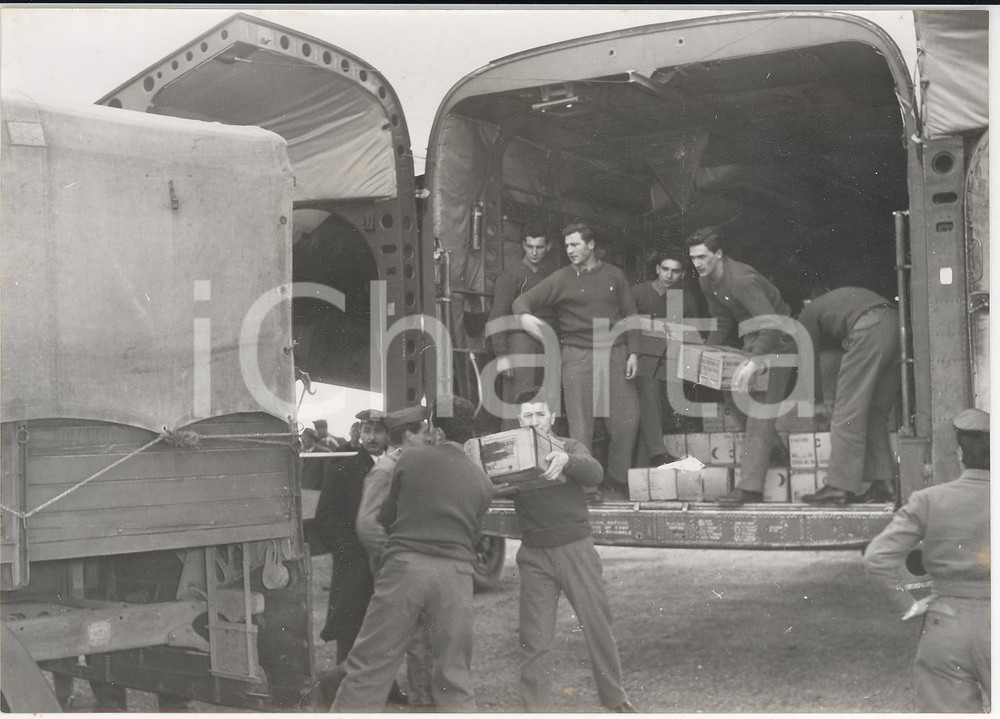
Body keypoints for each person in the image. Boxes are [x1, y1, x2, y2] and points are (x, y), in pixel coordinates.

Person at [332, 397, 494, 712]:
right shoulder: (483, 481)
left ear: (435, 429)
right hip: (456, 576)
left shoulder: (410, 460)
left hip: (405, 568)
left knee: (371, 664)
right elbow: (474, 535)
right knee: (454, 674)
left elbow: (388, 514)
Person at [511, 388, 636, 712]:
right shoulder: (514, 453)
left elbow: (594, 471)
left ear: (552, 417)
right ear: (518, 419)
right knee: (533, 639)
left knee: (597, 627)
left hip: (575, 550)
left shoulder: (569, 447)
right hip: (535, 554)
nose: (535, 421)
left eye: (540, 414)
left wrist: (568, 460)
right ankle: (533, 710)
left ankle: (615, 697)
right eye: (528, 415)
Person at [863, 408, 990, 712]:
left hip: (945, 623)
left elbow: (877, 558)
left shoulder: (928, 500)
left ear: (960, 454)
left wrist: (907, 605)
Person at [513, 221, 640, 502]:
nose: (570, 250)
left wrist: (634, 352)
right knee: (581, 425)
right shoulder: (561, 279)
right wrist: (524, 316)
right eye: (567, 245)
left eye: (575, 244)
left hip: (615, 351)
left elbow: (630, 314)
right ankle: (587, 487)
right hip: (577, 354)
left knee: (626, 422)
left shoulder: (614, 275)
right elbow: (524, 300)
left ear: (591, 245)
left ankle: (617, 479)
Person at [686, 228, 795, 506]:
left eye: (702, 257)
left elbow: (771, 323)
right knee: (734, 396)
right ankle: (774, 450)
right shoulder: (707, 280)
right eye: (693, 258)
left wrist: (754, 362)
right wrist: (706, 356)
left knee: (758, 409)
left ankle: (750, 489)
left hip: (778, 340)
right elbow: (722, 320)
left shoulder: (741, 279)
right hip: (753, 338)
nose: (697, 263)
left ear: (719, 254)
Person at [355, 405, 435, 707]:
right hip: (398, 568)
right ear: (408, 435)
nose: (428, 438)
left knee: (420, 636)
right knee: (411, 637)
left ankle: (425, 697)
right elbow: (366, 524)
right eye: (423, 433)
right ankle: (422, 702)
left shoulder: (408, 463)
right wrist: (393, 557)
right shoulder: (386, 469)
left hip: (414, 566)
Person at [796, 287, 901, 505]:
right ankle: (884, 484)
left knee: (846, 412)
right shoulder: (845, 300)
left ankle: (839, 487)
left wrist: (816, 403)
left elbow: (807, 360)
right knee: (874, 413)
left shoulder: (808, 313)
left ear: (807, 301)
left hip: (869, 328)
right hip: (895, 325)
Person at [313, 410, 387, 663]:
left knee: (385, 627)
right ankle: (343, 685)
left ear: (388, 434)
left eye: (378, 431)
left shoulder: (398, 470)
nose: (372, 437)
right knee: (350, 630)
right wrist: (350, 552)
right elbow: (326, 517)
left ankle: (387, 686)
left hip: (386, 563)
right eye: (367, 431)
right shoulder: (343, 470)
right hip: (354, 566)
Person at [631, 248, 702, 466]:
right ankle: (657, 454)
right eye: (665, 270)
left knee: (659, 412)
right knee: (650, 402)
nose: (669, 276)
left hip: (670, 363)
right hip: (641, 362)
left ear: (682, 274)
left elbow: (693, 335)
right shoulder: (638, 293)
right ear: (657, 269)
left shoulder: (686, 300)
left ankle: (648, 464)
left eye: (675, 271)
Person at [486, 226, 556, 427]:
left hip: (545, 344)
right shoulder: (511, 275)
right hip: (519, 344)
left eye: (539, 247)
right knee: (516, 405)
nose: (534, 252)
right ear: (523, 245)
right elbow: (496, 315)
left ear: (548, 246)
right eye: (529, 246)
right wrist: (501, 355)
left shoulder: (550, 276)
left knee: (543, 405)